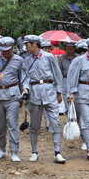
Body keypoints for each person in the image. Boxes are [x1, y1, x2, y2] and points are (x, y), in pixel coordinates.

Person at [21, 35, 66, 164]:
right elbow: (25, 77)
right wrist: (25, 89)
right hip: (34, 93)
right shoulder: (27, 60)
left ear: (34, 44)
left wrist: (59, 92)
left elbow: (57, 75)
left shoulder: (49, 57)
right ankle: (34, 152)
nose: (25, 47)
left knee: (55, 122)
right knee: (34, 125)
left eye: (27, 44)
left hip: (49, 91)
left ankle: (57, 152)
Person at [58, 41, 77, 115]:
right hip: (65, 80)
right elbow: (59, 70)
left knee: (75, 99)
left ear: (74, 49)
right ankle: (69, 116)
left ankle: (76, 117)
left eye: (71, 49)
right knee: (66, 99)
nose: (69, 51)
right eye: (67, 49)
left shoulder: (78, 57)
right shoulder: (62, 58)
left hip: (75, 80)